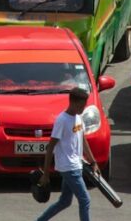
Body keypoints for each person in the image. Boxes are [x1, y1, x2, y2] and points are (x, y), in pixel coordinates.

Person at [37, 87, 98, 221]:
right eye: (82, 105)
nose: (84, 108)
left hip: (76, 165)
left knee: (65, 201)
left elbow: (83, 140)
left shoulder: (78, 118)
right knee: (85, 200)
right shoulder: (62, 120)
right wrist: (46, 174)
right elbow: (50, 147)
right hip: (69, 167)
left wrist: (93, 162)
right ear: (74, 103)